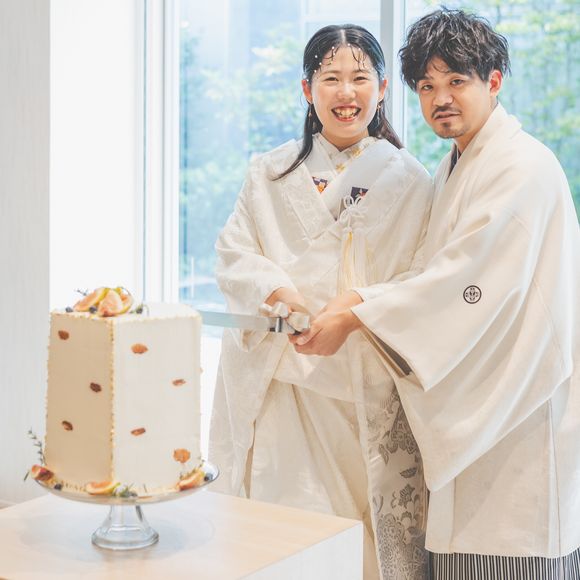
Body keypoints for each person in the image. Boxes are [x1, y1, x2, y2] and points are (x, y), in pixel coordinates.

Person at [292, 9, 580, 579]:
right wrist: (358, 303)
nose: (440, 98)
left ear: (493, 80)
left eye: (456, 81)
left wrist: (357, 314)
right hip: (477, 425)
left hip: (515, 427)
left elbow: (460, 282)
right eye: (426, 86)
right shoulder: (455, 167)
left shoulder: (521, 167)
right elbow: (429, 271)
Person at [209, 24, 433, 580]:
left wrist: (353, 311)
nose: (346, 92)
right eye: (330, 78)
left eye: (360, 78)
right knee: (283, 523)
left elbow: (422, 280)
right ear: (307, 89)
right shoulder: (269, 172)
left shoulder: (411, 181)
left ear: (383, 89)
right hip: (280, 380)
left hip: (358, 383)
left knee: (353, 532)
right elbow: (234, 250)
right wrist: (275, 289)